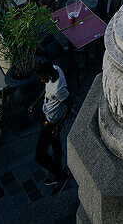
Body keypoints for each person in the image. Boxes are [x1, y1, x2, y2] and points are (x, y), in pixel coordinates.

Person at [31, 60, 72, 193]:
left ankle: (60, 175)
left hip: (51, 122)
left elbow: (69, 104)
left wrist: (59, 126)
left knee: (40, 155)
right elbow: (46, 90)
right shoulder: (55, 68)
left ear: (47, 73)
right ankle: (60, 172)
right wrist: (35, 102)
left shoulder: (59, 88)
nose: (41, 80)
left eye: (41, 76)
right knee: (56, 147)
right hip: (46, 114)